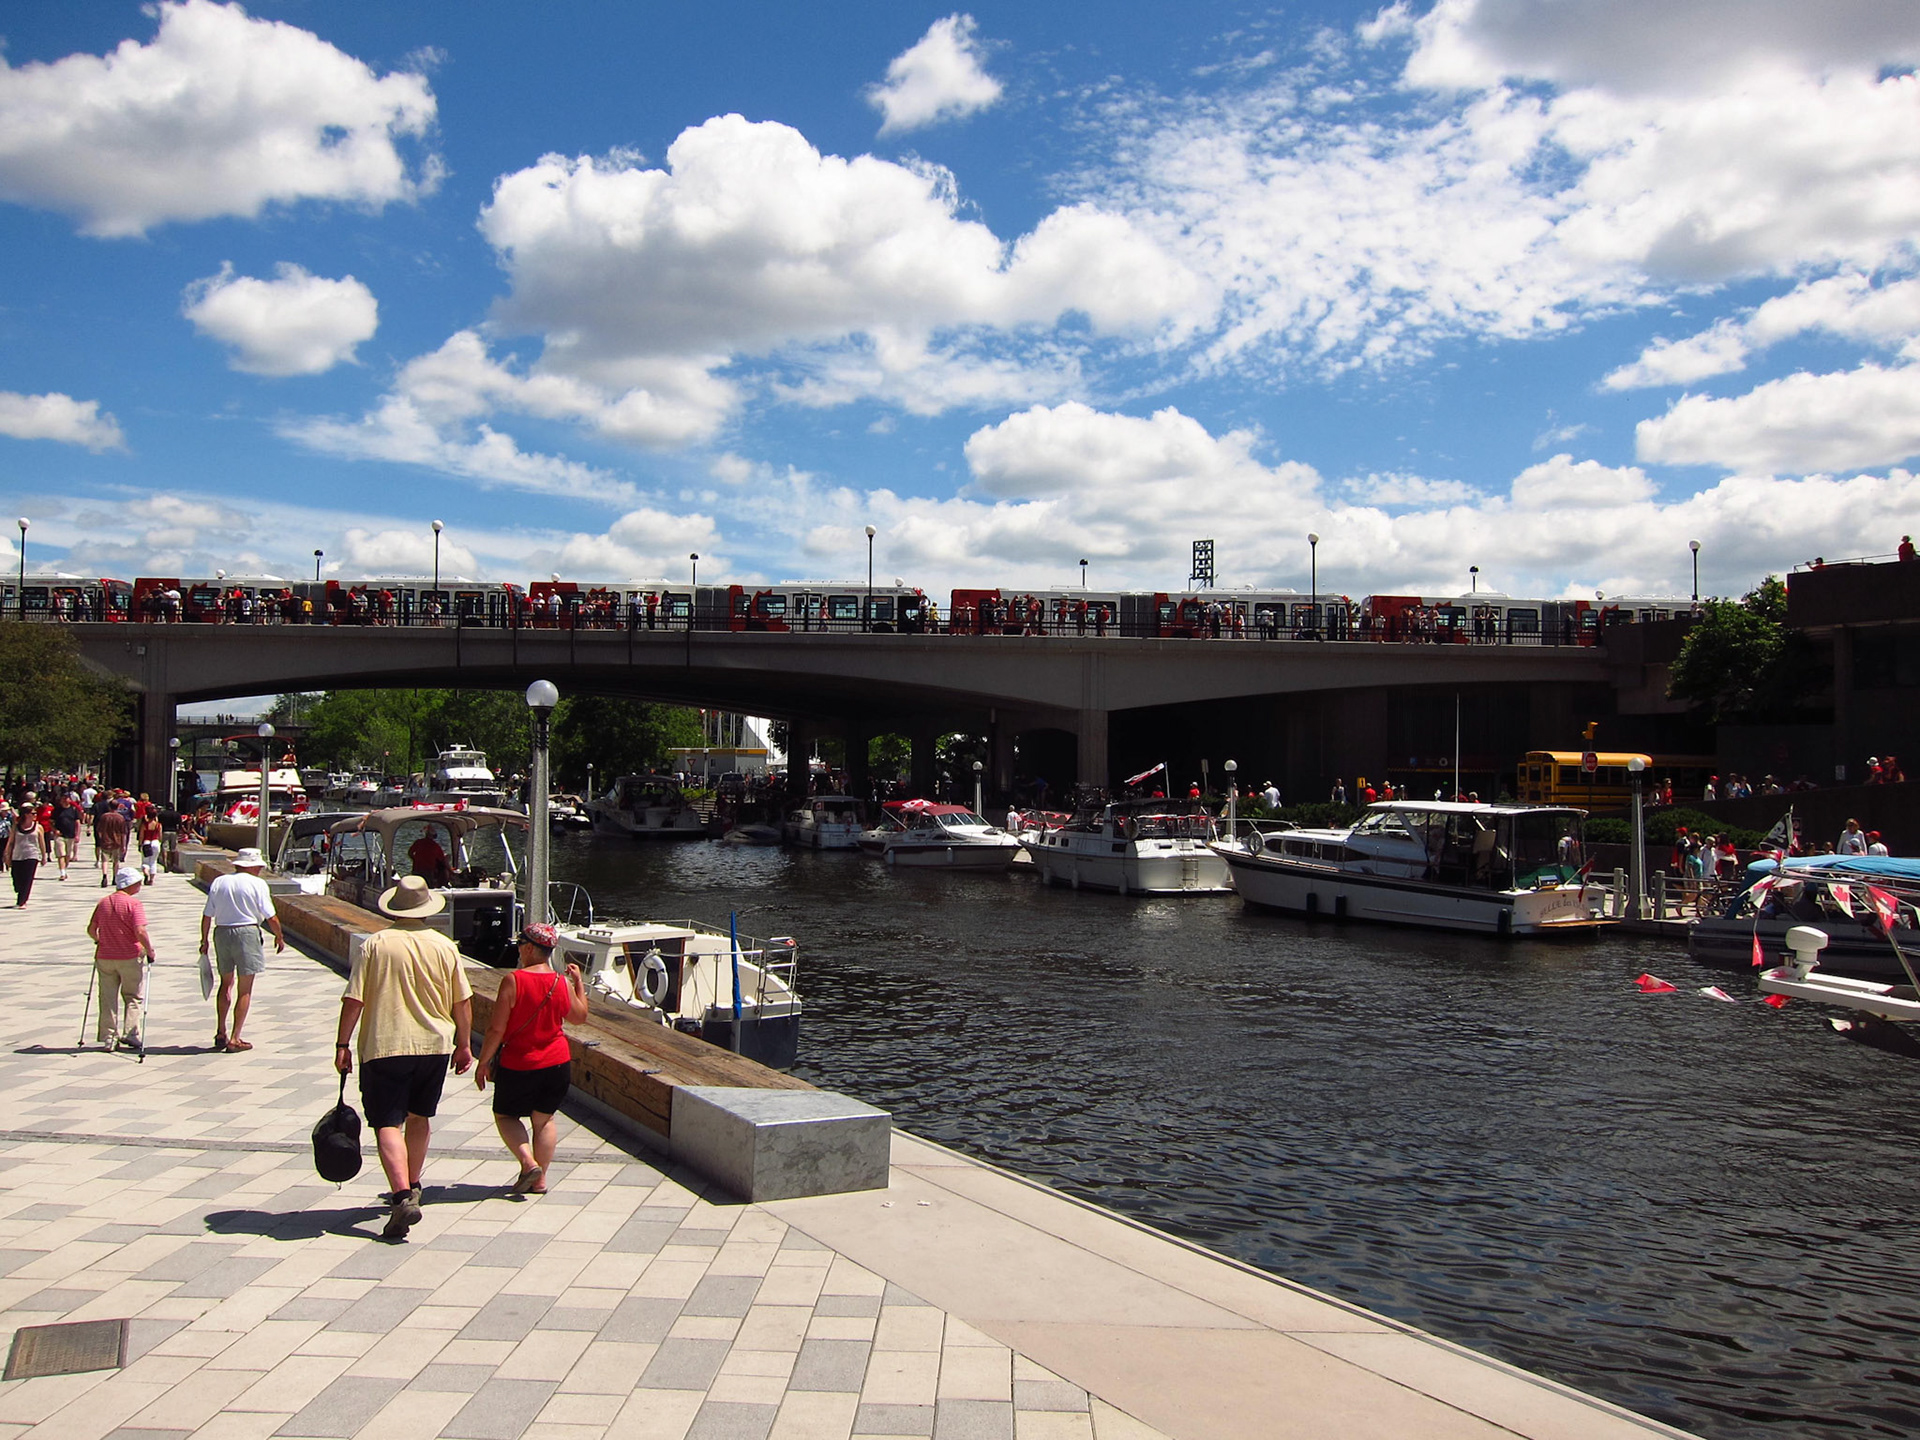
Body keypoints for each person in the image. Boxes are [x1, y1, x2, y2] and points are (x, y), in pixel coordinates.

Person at [334, 874, 474, 1240]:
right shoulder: (445, 947)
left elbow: (354, 999)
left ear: (395, 908)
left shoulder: (376, 945)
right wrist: (464, 1044)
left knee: (387, 1122)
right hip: (434, 1045)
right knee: (420, 1116)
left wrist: (342, 1044)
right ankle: (413, 1184)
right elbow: (463, 1001)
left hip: (385, 1044)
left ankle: (399, 1196)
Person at [475, 923, 589, 1194]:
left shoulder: (514, 980)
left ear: (529, 949)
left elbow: (496, 1029)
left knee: (505, 1115)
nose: (518, 950)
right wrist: (578, 983)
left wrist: (483, 1062)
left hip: (520, 1062)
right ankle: (540, 1180)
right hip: (557, 1062)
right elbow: (579, 1017)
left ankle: (528, 1163)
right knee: (544, 1120)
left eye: (520, 945)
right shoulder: (560, 982)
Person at [199, 847, 285, 1052]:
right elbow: (271, 916)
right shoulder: (258, 884)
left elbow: (207, 915)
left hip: (222, 932)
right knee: (245, 988)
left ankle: (221, 1031)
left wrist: (204, 940)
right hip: (247, 932)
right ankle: (235, 1038)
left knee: (225, 983)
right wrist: (279, 936)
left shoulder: (220, 881)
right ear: (253, 867)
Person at [88, 866, 155, 1050]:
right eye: (138, 882)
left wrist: (99, 940)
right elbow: (140, 931)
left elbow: (91, 929)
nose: (140, 885)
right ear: (131, 884)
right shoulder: (134, 904)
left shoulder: (103, 902)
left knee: (107, 997)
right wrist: (149, 950)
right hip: (130, 956)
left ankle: (109, 1037)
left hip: (105, 956)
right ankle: (131, 1033)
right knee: (133, 996)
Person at [4, 805, 45, 907]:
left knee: (27, 879)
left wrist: (43, 856)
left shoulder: (38, 827)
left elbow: (41, 843)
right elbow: (11, 842)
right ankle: (20, 891)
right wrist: (7, 854)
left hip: (32, 855)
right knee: (16, 879)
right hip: (17, 855)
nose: (35, 815)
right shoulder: (17, 826)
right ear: (26, 815)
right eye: (33, 813)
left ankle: (22, 901)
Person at [94, 800, 129, 888]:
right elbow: (123, 833)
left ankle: (105, 875)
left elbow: (99, 830)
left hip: (105, 841)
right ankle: (114, 877)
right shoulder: (120, 818)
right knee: (115, 861)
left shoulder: (104, 816)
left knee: (105, 860)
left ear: (109, 806)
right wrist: (124, 845)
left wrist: (101, 838)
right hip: (117, 841)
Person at [51, 793, 82, 881]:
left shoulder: (73, 810)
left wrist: (77, 835)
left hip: (70, 835)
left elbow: (77, 823)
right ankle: (62, 873)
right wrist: (54, 830)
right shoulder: (56, 810)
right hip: (60, 835)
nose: (64, 800)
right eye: (63, 798)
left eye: (66, 798)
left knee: (68, 855)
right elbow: (51, 822)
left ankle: (64, 869)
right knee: (61, 854)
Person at [138, 810, 164, 885]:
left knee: (145, 861)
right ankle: (151, 879)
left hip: (146, 842)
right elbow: (160, 836)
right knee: (153, 861)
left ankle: (146, 872)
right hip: (155, 842)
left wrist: (140, 844)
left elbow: (141, 836)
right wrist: (160, 842)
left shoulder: (144, 825)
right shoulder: (158, 825)